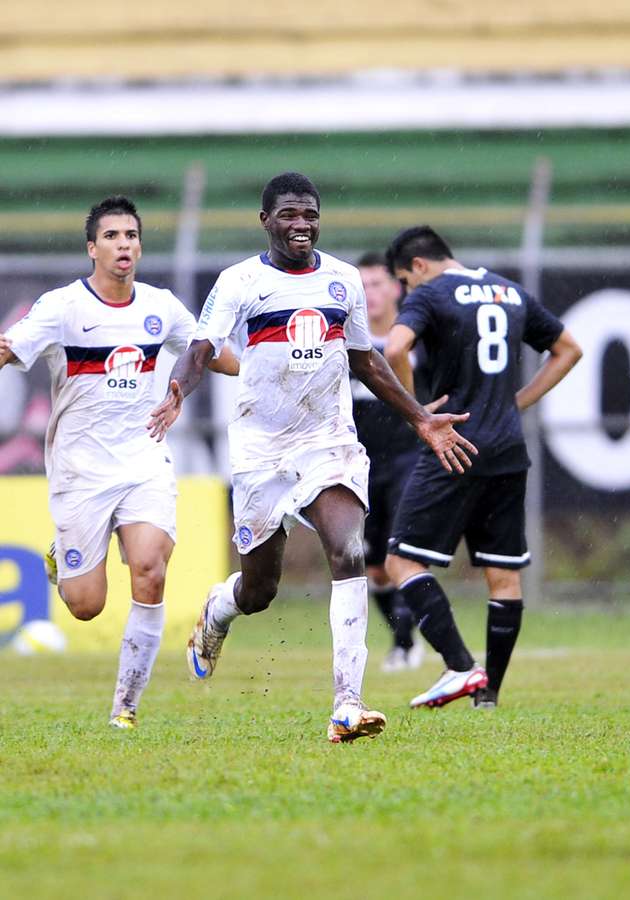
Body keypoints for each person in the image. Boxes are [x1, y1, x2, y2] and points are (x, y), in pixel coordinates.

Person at [147, 173, 477, 743]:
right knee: (259, 591)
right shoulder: (240, 282)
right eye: (289, 215)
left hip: (328, 442)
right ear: (265, 221)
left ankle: (348, 704)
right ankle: (219, 609)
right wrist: (179, 389)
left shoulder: (343, 280)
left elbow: (366, 361)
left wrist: (420, 418)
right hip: (261, 451)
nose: (301, 224)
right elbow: (201, 350)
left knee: (348, 551)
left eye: (310, 215)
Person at [0, 195, 238, 729]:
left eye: (131, 235)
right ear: (92, 248)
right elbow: (11, 349)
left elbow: (206, 352)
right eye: (111, 236)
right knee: (86, 605)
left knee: (151, 569)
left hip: (143, 458)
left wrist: (259, 367)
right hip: (80, 469)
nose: (123, 244)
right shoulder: (63, 307)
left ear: (140, 246)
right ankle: (63, 559)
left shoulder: (161, 306)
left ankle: (125, 707)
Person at [382, 226, 582, 710]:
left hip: (454, 443)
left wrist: (418, 412)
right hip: (508, 449)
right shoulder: (509, 291)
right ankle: (488, 695)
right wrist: (518, 403)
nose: (407, 291)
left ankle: (458, 666)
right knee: (504, 576)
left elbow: (394, 349)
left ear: (418, 266)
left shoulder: (431, 293)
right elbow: (569, 350)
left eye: (404, 281)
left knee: (400, 562)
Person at [352, 251, 433, 672]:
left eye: (376, 284)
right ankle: (404, 640)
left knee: (401, 551)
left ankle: (406, 643)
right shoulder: (346, 340)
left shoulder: (417, 337)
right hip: (360, 463)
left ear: (396, 288)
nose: (369, 294)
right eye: (361, 286)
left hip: (408, 458)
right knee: (375, 569)